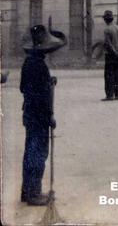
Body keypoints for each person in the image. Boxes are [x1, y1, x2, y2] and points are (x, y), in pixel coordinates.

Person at [20, 23, 66, 206]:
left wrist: (48, 82)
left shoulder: (29, 63)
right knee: (38, 153)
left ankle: (27, 191)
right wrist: (50, 116)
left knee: (30, 151)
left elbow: (25, 88)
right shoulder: (38, 65)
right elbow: (41, 97)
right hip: (38, 115)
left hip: (30, 113)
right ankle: (34, 193)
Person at [102, 10, 118, 101]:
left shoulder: (107, 29)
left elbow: (109, 44)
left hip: (111, 55)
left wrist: (114, 53)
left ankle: (109, 95)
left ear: (106, 20)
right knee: (117, 75)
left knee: (109, 75)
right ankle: (117, 95)